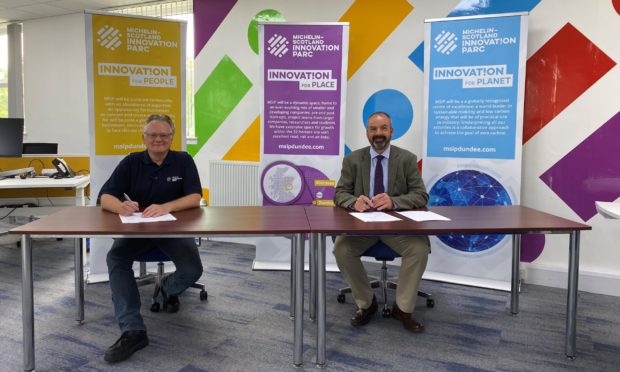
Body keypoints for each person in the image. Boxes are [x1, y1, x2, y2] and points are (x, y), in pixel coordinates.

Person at [100, 114, 204, 363]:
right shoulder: (132, 162)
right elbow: (105, 197)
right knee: (116, 257)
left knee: (193, 270)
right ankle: (132, 330)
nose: (158, 139)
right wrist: (121, 207)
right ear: (143, 138)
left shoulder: (183, 160)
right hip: (139, 230)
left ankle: (168, 288)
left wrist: (166, 207)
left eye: (164, 135)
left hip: (174, 231)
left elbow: (194, 197)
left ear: (172, 137)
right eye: (153, 135)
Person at [333, 111, 430, 333]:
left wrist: (394, 201)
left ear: (391, 132)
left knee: (418, 248)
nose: (378, 134)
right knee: (341, 248)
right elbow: (340, 193)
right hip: (361, 228)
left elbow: (421, 195)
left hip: (396, 227)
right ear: (367, 133)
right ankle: (366, 303)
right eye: (373, 129)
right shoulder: (353, 159)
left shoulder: (406, 159)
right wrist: (353, 202)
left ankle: (403, 309)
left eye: (383, 128)